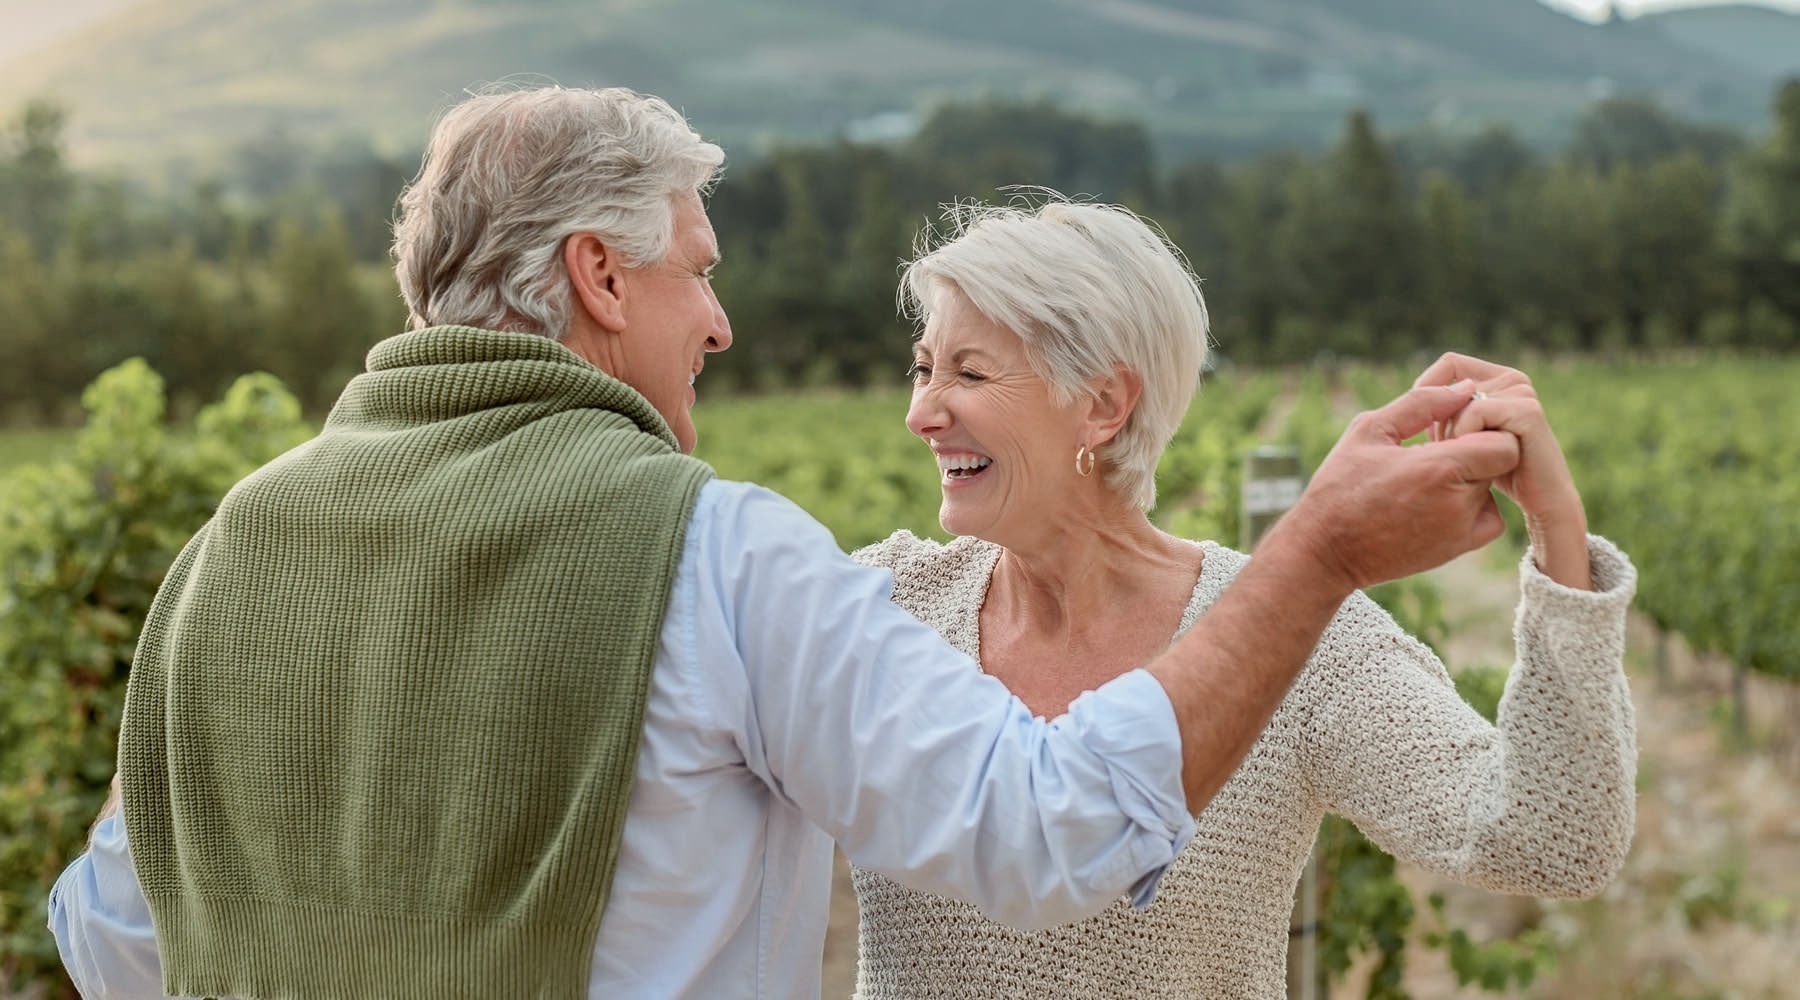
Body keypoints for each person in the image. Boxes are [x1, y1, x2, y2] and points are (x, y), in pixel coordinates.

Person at [47, 86, 1522, 1000]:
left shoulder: (228, 556)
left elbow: (111, 936)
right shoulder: (713, 553)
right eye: (697, 269)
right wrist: (1316, 554)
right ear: (598, 278)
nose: (722, 320)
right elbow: (1052, 827)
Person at [847, 196, 1638, 999]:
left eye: (969, 372)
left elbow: (1553, 840)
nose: (921, 413)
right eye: (923, 366)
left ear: (1102, 405)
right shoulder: (885, 609)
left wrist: (1557, 532)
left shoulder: (1299, 637)